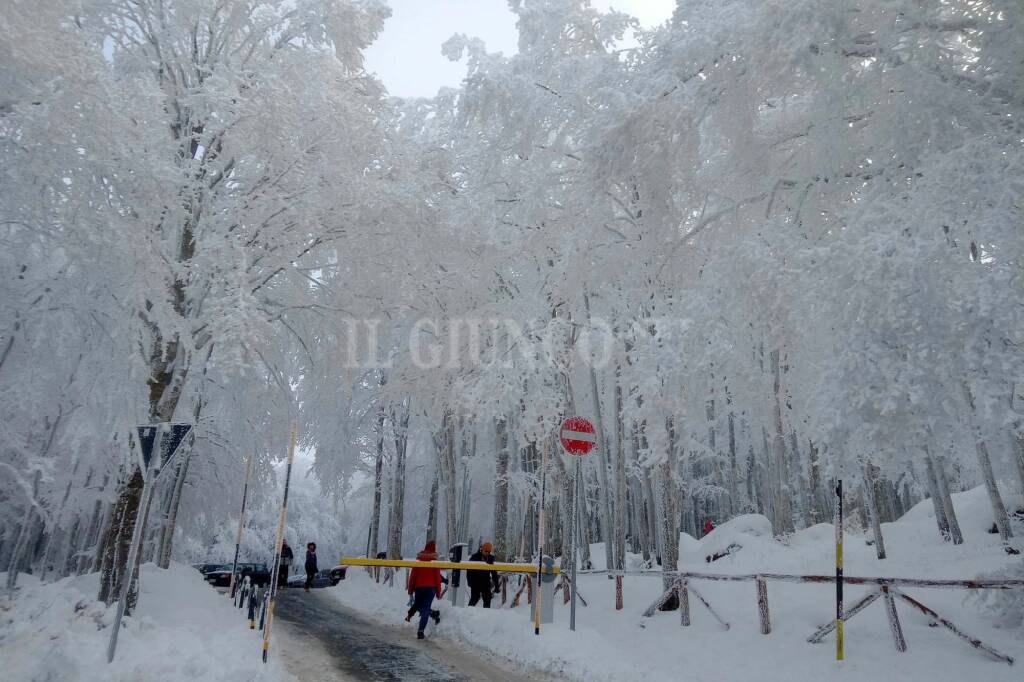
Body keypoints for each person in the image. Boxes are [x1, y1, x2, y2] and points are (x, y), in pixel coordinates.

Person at [406, 540, 443, 639]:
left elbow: (412, 576)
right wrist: (438, 593)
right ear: (434, 549)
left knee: (419, 606)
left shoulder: (419, 560)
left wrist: (410, 591)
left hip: (419, 588)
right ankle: (423, 628)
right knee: (425, 608)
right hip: (431, 589)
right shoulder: (435, 561)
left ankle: (423, 628)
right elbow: (437, 579)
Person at [467, 541, 499, 608]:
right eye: (486, 551)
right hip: (476, 582)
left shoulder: (490, 558)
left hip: (485, 582)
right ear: (482, 549)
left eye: (488, 552)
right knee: (474, 598)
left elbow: (494, 573)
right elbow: (469, 571)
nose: (487, 553)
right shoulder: (474, 557)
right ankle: (468, 613)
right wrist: (470, 582)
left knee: (487, 598)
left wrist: (496, 585)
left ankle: (486, 615)